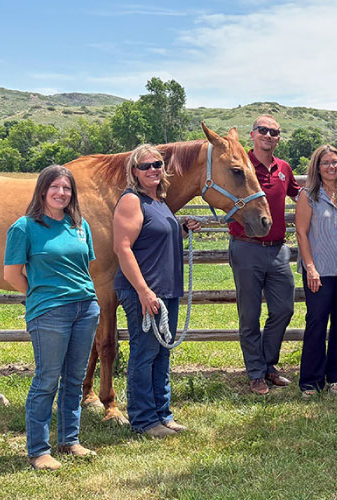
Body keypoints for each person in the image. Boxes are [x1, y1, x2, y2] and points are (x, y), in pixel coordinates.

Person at [4, 165, 100, 470]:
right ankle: (38, 450)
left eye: (67, 188)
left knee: (74, 379)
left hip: (85, 308)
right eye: (55, 187)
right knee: (46, 380)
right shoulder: (25, 227)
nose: (61, 193)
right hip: (50, 312)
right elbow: (11, 275)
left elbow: (86, 265)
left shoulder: (79, 224)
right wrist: (40, 295)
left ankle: (70, 441)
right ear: (42, 190)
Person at [113, 144, 200, 438]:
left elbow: (156, 238)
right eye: (146, 165)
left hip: (166, 289)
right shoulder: (131, 201)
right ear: (134, 172)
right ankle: (144, 419)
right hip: (144, 291)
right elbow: (122, 249)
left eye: (157, 164)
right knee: (145, 352)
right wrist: (143, 291)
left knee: (162, 354)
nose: (153, 169)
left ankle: (163, 414)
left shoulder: (159, 202)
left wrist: (182, 229)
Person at [229, 114, 299, 396]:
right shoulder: (239, 165)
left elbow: (301, 194)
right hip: (246, 247)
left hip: (278, 249)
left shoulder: (284, 168)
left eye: (274, 132)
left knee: (284, 309)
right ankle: (256, 373)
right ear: (252, 134)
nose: (269, 135)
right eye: (263, 130)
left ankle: (269, 364)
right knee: (250, 314)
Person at [295, 145, 337, 397]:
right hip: (319, 271)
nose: (332, 167)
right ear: (317, 167)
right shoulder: (308, 196)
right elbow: (301, 233)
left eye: (336, 162)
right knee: (316, 323)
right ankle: (310, 381)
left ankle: (336, 377)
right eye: (326, 162)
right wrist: (310, 268)